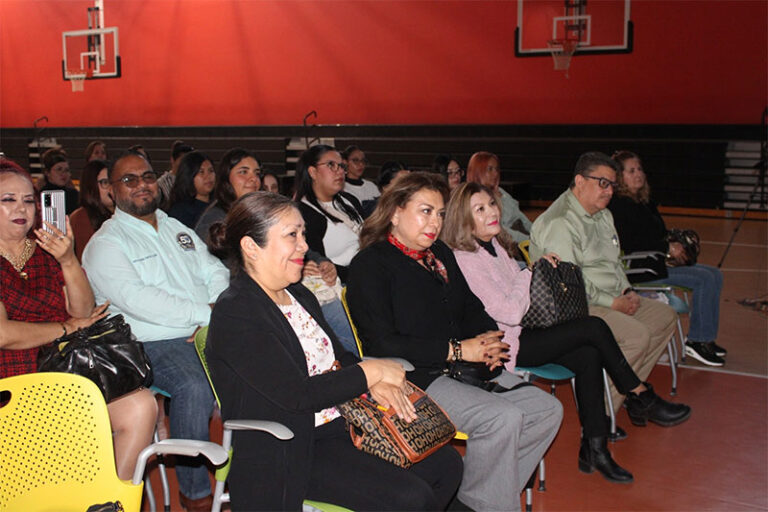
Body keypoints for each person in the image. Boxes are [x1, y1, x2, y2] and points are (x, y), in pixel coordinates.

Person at [205, 191, 463, 511]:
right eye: (291, 235)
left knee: (446, 465)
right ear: (250, 247)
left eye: (302, 233)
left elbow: (339, 356)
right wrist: (370, 372)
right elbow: (295, 395)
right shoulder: (237, 312)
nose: (303, 245)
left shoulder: (298, 294)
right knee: (410, 498)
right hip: (294, 447)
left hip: (344, 425)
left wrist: (374, 381)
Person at [442, 182, 693, 483]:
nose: (492, 213)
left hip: (524, 332)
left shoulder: (493, 246)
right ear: (462, 218)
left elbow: (517, 296)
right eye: (479, 209)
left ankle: (596, 447)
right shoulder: (466, 258)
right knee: (593, 327)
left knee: (588, 354)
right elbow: (508, 311)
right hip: (504, 345)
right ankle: (639, 394)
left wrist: (532, 270)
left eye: (491, 205)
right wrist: (529, 273)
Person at [346, 172, 563, 512]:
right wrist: (458, 349)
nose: (435, 222)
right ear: (395, 213)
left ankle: (477, 500)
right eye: (425, 211)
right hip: (415, 378)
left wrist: (491, 337)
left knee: (547, 410)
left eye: (441, 213)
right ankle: (489, 503)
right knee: (503, 418)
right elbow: (383, 343)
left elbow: (471, 308)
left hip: (463, 368)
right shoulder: (371, 265)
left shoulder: (440, 254)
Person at [82, 150, 228, 511]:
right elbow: (139, 300)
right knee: (193, 385)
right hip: (149, 342)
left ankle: (250, 475)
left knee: (258, 367)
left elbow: (214, 270)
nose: (142, 185)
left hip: (202, 328)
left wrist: (213, 310)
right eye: (129, 180)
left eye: (147, 176)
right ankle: (194, 493)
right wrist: (204, 314)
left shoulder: (174, 227)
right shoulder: (106, 244)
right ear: (112, 192)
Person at [0, 158, 156, 482]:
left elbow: (83, 312)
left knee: (141, 405)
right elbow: (3, 334)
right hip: (12, 382)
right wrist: (66, 328)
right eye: (8, 200)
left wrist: (68, 259)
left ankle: (107, 502)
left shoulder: (46, 249)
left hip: (65, 371)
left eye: (29, 200)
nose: (22, 209)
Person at [530, 152, 692, 424]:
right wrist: (613, 303)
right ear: (580, 181)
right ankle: (601, 417)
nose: (609, 191)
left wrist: (627, 290)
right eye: (602, 183)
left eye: (613, 185)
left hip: (609, 297)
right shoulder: (561, 222)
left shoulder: (603, 215)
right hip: (573, 307)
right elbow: (570, 284)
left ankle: (632, 395)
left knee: (665, 317)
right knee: (637, 336)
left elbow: (615, 263)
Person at [610, 150, 726, 366]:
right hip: (642, 270)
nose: (638, 174)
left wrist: (677, 246)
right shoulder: (618, 205)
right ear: (619, 176)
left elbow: (658, 233)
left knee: (714, 274)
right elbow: (627, 241)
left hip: (658, 264)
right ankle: (697, 341)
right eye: (631, 170)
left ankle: (707, 338)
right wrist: (666, 247)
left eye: (640, 169)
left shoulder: (644, 201)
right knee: (704, 279)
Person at [295, 144, 364, 283]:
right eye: (331, 165)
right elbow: (320, 267)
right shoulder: (303, 214)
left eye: (342, 166)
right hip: (344, 282)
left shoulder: (350, 200)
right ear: (313, 172)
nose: (340, 172)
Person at [195, 147, 262, 246]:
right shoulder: (214, 221)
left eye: (257, 173)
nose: (254, 179)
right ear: (226, 177)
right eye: (243, 172)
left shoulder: (256, 214)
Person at [467, 151, 531, 243]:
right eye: (490, 169)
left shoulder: (500, 192)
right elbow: (501, 230)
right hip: (507, 243)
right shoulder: (472, 197)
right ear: (478, 171)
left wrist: (536, 234)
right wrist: (529, 240)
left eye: (497, 169)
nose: (495, 173)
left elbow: (522, 218)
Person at [70, 159, 114, 261]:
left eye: (113, 181)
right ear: (91, 186)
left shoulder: (120, 213)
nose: (111, 188)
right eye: (105, 182)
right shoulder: (81, 217)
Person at [168, 151, 216, 228]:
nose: (208, 176)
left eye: (211, 171)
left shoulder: (219, 204)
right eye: (201, 172)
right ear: (189, 176)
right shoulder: (180, 212)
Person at [39, 148, 79, 214]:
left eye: (66, 170)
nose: (63, 174)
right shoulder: (42, 196)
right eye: (59, 169)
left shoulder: (74, 194)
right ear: (47, 173)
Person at [157, 140, 194, 210]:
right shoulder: (161, 184)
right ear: (172, 160)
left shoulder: (193, 180)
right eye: (182, 160)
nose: (185, 165)